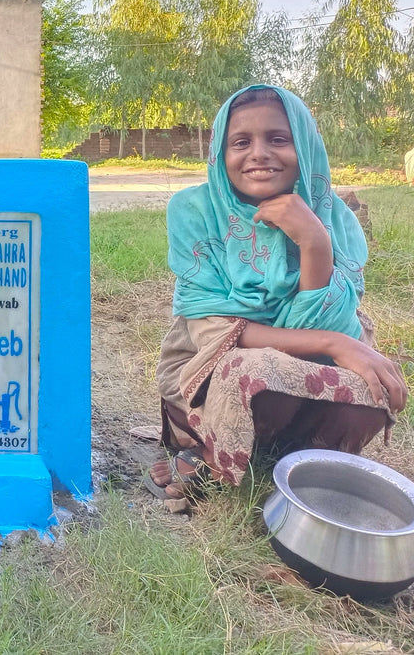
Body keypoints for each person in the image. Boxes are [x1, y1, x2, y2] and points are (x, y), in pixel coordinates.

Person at [146, 85, 408, 505]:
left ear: (304, 146)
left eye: (279, 139)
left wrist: (314, 241)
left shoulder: (334, 220)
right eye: (241, 142)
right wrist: (334, 342)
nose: (259, 153)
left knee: (373, 386)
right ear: (220, 154)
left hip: (308, 372)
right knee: (254, 371)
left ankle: (297, 464)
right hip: (218, 368)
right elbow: (219, 330)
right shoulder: (195, 213)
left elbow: (328, 319)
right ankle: (208, 453)